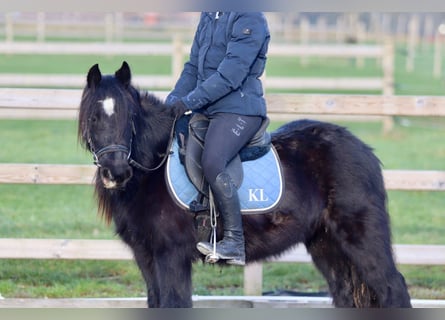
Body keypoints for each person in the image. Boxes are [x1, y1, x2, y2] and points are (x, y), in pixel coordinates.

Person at [166, 12, 270, 266]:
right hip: (208, 108)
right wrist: (170, 105)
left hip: (239, 109)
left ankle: (234, 242)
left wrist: (189, 102)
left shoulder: (249, 16)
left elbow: (230, 75)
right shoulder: (210, 14)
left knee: (212, 161)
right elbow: (193, 68)